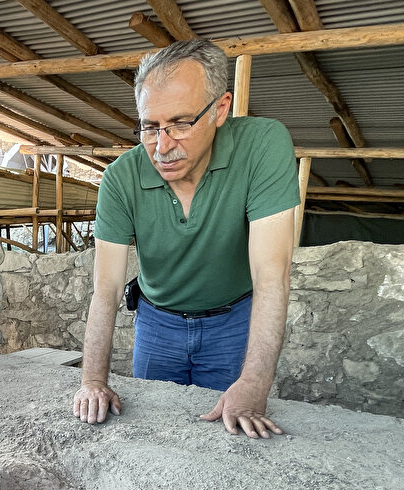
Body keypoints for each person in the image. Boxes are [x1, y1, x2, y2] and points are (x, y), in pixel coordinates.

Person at [71, 38, 299, 439]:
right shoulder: (120, 179)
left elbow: (271, 272)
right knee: (152, 436)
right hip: (157, 324)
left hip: (232, 321)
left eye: (180, 124)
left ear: (221, 109)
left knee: (225, 438)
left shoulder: (263, 144)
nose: (162, 147)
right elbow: (105, 290)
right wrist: (92, 380)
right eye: (150, 126)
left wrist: (255, 382)